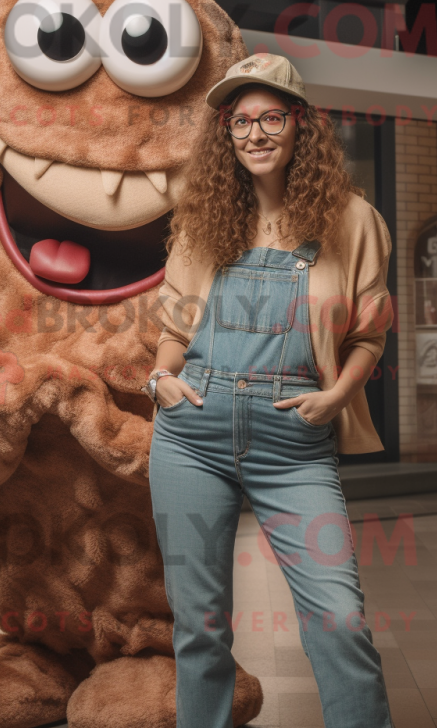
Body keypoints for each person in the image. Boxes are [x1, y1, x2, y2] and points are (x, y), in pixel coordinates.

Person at [142, 54, 395, 728]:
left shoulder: (355, 222)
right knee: (199, 625)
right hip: (191, 438)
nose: (254, 134)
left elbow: (368, 335)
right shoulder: (204, 219)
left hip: (295, 444)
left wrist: (337, 396)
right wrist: (161, 380)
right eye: (240, 121)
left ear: (299, 126)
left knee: (338, 617)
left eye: (270, 118)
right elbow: (173, 328)